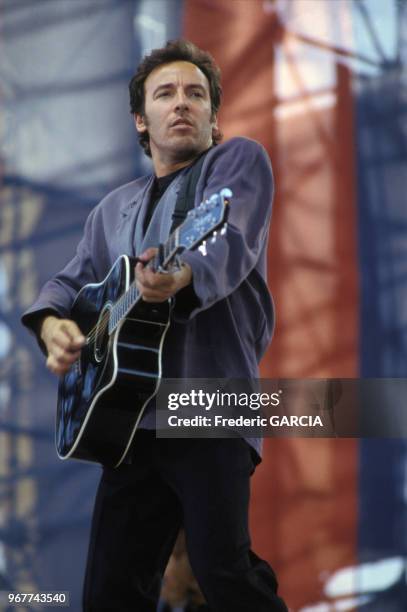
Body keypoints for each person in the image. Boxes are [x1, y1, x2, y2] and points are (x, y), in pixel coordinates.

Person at [22, 40, 288, 612]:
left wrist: (185, 272)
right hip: (127, 419)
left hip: (211, 401)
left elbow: (234, 238)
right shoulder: (112, 208)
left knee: (224, 573)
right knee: (110, 594)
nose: (183, 103)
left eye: (197, 94)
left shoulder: (238, 161)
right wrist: (51, 326)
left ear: (215, 116)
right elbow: (68, 285)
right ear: (142, 119)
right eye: (165, 94)